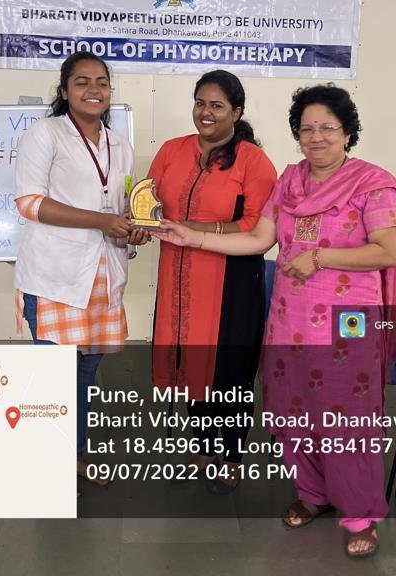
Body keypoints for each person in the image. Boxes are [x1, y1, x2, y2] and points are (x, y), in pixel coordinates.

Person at [153, 84, 396, 557]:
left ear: (348, 132)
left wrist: (320, 257)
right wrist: (192, 238)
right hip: (289, 320)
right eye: (307, 128)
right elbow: (258, 239)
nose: (316, 137)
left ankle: (360, 515)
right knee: (295, 411)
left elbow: (386, 251)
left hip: (347, 326)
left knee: (345, 418)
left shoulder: (372, 184)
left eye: (328, 128)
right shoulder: (291, 182)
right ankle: (313, 494)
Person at [12, 51, 148, 489]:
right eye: (82, 82)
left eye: (102, 82)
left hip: (102, 277)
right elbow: (30, 203)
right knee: (54, 376)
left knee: (85, 373)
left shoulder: (120, 146)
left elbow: (122, 205)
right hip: (54, 277)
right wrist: (101, 221)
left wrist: (133, 228)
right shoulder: (46, 134)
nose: (94, 89)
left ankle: (73, 455)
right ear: (65, 90)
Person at [147, 70, 277, 494]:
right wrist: (137, 223)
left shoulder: (253, 162)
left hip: (231, 281)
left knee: (230, 374)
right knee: (192, 365)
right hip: (179, 277)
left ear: (236, 112)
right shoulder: (172, 150)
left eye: (217, 105)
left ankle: (232, 458)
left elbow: (256, 225)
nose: (206, 112)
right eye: (200, 103)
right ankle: (203, 451)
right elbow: (148, 204)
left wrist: (193, 228)